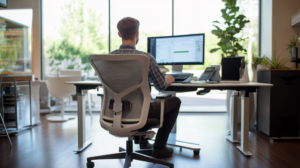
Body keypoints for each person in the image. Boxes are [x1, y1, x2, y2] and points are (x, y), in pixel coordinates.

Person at [109, 17, 181, 158]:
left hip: (114, 113)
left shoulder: (108, 59)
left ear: (119, 34)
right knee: (175, 101)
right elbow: (161, 86)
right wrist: (168, 79)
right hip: (141, 113)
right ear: (137, 34)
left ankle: (142, 142)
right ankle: (159, 147)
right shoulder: (146, 58)